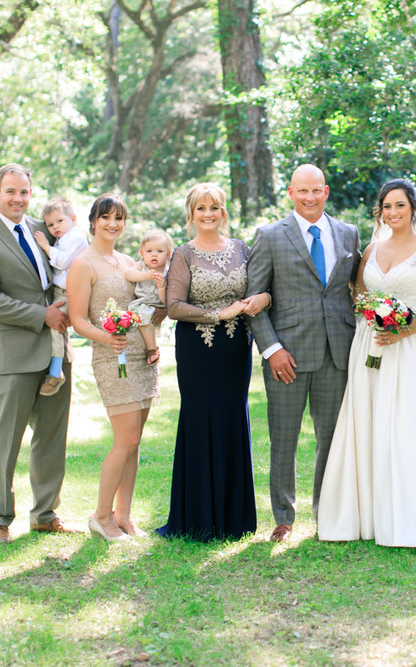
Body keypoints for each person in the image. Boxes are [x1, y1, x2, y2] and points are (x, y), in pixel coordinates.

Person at [317, 179, 416, 547]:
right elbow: (359, 293)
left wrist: (402, 330)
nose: (393, 213)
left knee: (409, 425)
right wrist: (373, 317)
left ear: (413, 209)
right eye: (387, 206)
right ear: (380, 211)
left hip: (414, 349)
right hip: (369, 347)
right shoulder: (371, 249)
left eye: (400, 206)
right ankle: (367, 515)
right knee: (369, 424)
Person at [0, 163, 81, 543]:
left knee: (52, 436)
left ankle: (45, 514)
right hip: (13, 354)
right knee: (7, 439)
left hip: (55, 351)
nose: (18, 198)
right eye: (11, 191)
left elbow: (65, 274)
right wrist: (41, 315)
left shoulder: (42, 230)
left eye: (25, 192)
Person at [245, 164, 361, 543]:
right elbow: (255, 300)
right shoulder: (269, 236)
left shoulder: (348, 233)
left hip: (337, 352)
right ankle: (283, 516)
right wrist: (272, 348)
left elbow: (354, 290)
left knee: (333, 438)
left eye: (316, 191)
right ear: (291, 194)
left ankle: (326, 511)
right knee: (284, 437)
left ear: (326, 191)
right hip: (287, 356)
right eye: (302, 192)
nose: (310, 198)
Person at [155, 183, 268, 541]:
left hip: (236, 349)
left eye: (214, 208)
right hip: (197, 350)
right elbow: (174, 306)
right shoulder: (184, 255)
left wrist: (258, 299)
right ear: (191, 214)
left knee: (233, 418)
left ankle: (235, 518)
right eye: (201, 208)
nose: (208, 214)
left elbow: (261, 288)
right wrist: (220, 314)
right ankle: (199, 517)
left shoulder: (242, 249)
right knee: (201, 419)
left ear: (224, 212)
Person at [67, 193, 160, 542]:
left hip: (140, 358)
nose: (112, 223)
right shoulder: (83, 264)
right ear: (93, 221)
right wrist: (107, 338)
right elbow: (77, 320)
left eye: (119, 218)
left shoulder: (125, 261)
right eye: (106, 217)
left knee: (135, 443)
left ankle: (124, 515)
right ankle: (100, 516)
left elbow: (142, 304)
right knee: (126, 439)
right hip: (112, 358)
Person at [33, 197, 89, 396]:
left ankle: (56, 373)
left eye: (59, 221)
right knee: (56, 330)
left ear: (73, 218)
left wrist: (46, 247)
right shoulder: (63, 238)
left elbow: (63, 261)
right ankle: (55, 370)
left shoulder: (75, 237)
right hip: (60, 291)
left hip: (68, 293)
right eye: (50, 224)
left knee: (56, 329)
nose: (55, 227)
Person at [124, 229, 174, 365]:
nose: (154, 255)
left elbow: (166, 301)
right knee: (142, 316)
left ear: (168, 255)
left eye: (159, 251)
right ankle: (152, 349)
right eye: (149, 251)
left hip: (159, 304)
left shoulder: (168, 272)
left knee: (147, 317)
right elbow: (129, 274)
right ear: (142, 254)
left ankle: (153, 350)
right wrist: (144, 276)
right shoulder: (142, 266)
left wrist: (161, 287)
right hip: (143, 303)